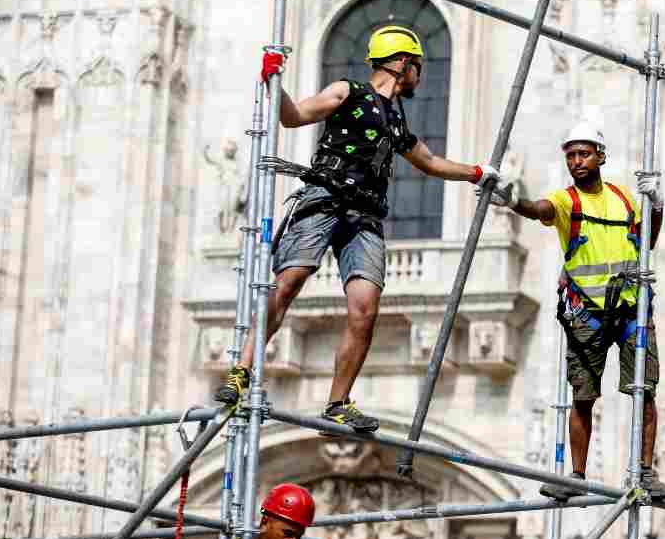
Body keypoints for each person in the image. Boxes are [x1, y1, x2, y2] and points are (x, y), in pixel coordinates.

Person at [214, 25, 508, 432]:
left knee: (365, 309)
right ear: (403, 63)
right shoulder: (346, 91)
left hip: (364, 214)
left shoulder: (396, 119)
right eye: (418, 67)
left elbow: (429, 161)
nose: (419, 77)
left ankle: (338, 401)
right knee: (289, 282)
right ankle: (242, 370)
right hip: (325, 198)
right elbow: (294, 116)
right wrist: (272, 81)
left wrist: (476, 173)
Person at [497, 123, 665, 501]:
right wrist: (513, 200)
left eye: (583, 154)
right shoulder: (567, 202)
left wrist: (657, 205)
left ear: (600, 155)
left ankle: (645, 473)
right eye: (571, 156)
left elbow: (648, 243)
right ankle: (576, 476)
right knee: (583, 396)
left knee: (644, 391)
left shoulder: (624, 199)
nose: (576, 162)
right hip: (588, 314)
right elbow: (537, 209)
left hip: (631, 310)